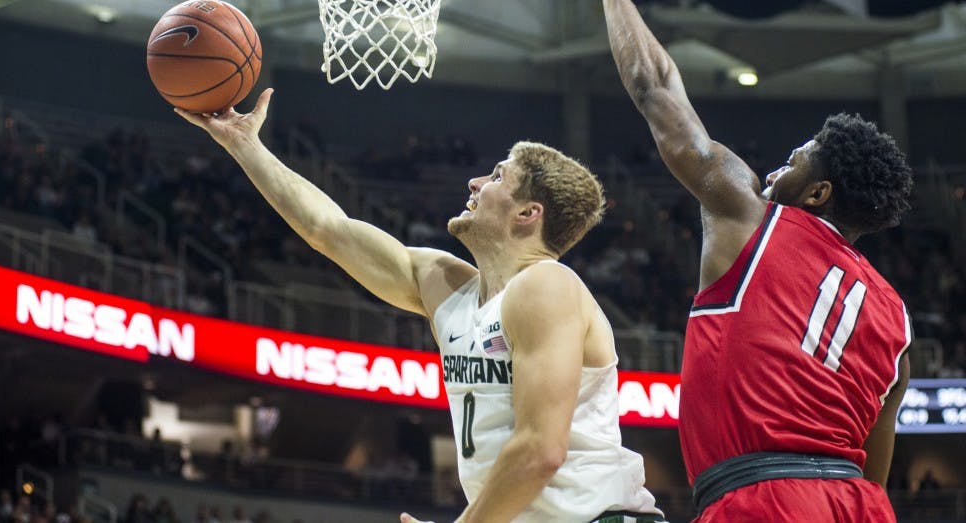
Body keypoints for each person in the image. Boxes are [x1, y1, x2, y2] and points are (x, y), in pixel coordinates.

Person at [578, 0, 913, 523]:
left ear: (818, 194)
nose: (778, 166)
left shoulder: (751, 216)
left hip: (764, 496)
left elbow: (657, 92)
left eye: (796, 160)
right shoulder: (898, 321)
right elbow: (875, 467)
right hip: (859, 505)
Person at [176, 92, 662, 523]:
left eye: (496, 176)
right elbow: (328, 230)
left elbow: (541, 452)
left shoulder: (546, 286)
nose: (474, 182)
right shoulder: (445, 285)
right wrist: (245, 145)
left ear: (527, 214)